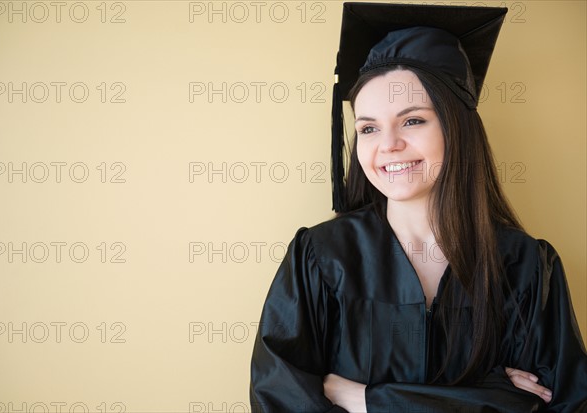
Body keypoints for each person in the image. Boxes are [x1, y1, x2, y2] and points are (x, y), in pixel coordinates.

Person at [249, 3, 587, 412]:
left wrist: (362, 398)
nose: (387, 144)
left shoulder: (526, 266)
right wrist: (489, 398)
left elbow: (561, 404)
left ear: (456, 128)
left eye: (412, 120)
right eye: (368, 128)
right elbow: (280, 400)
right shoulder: (321, 258)